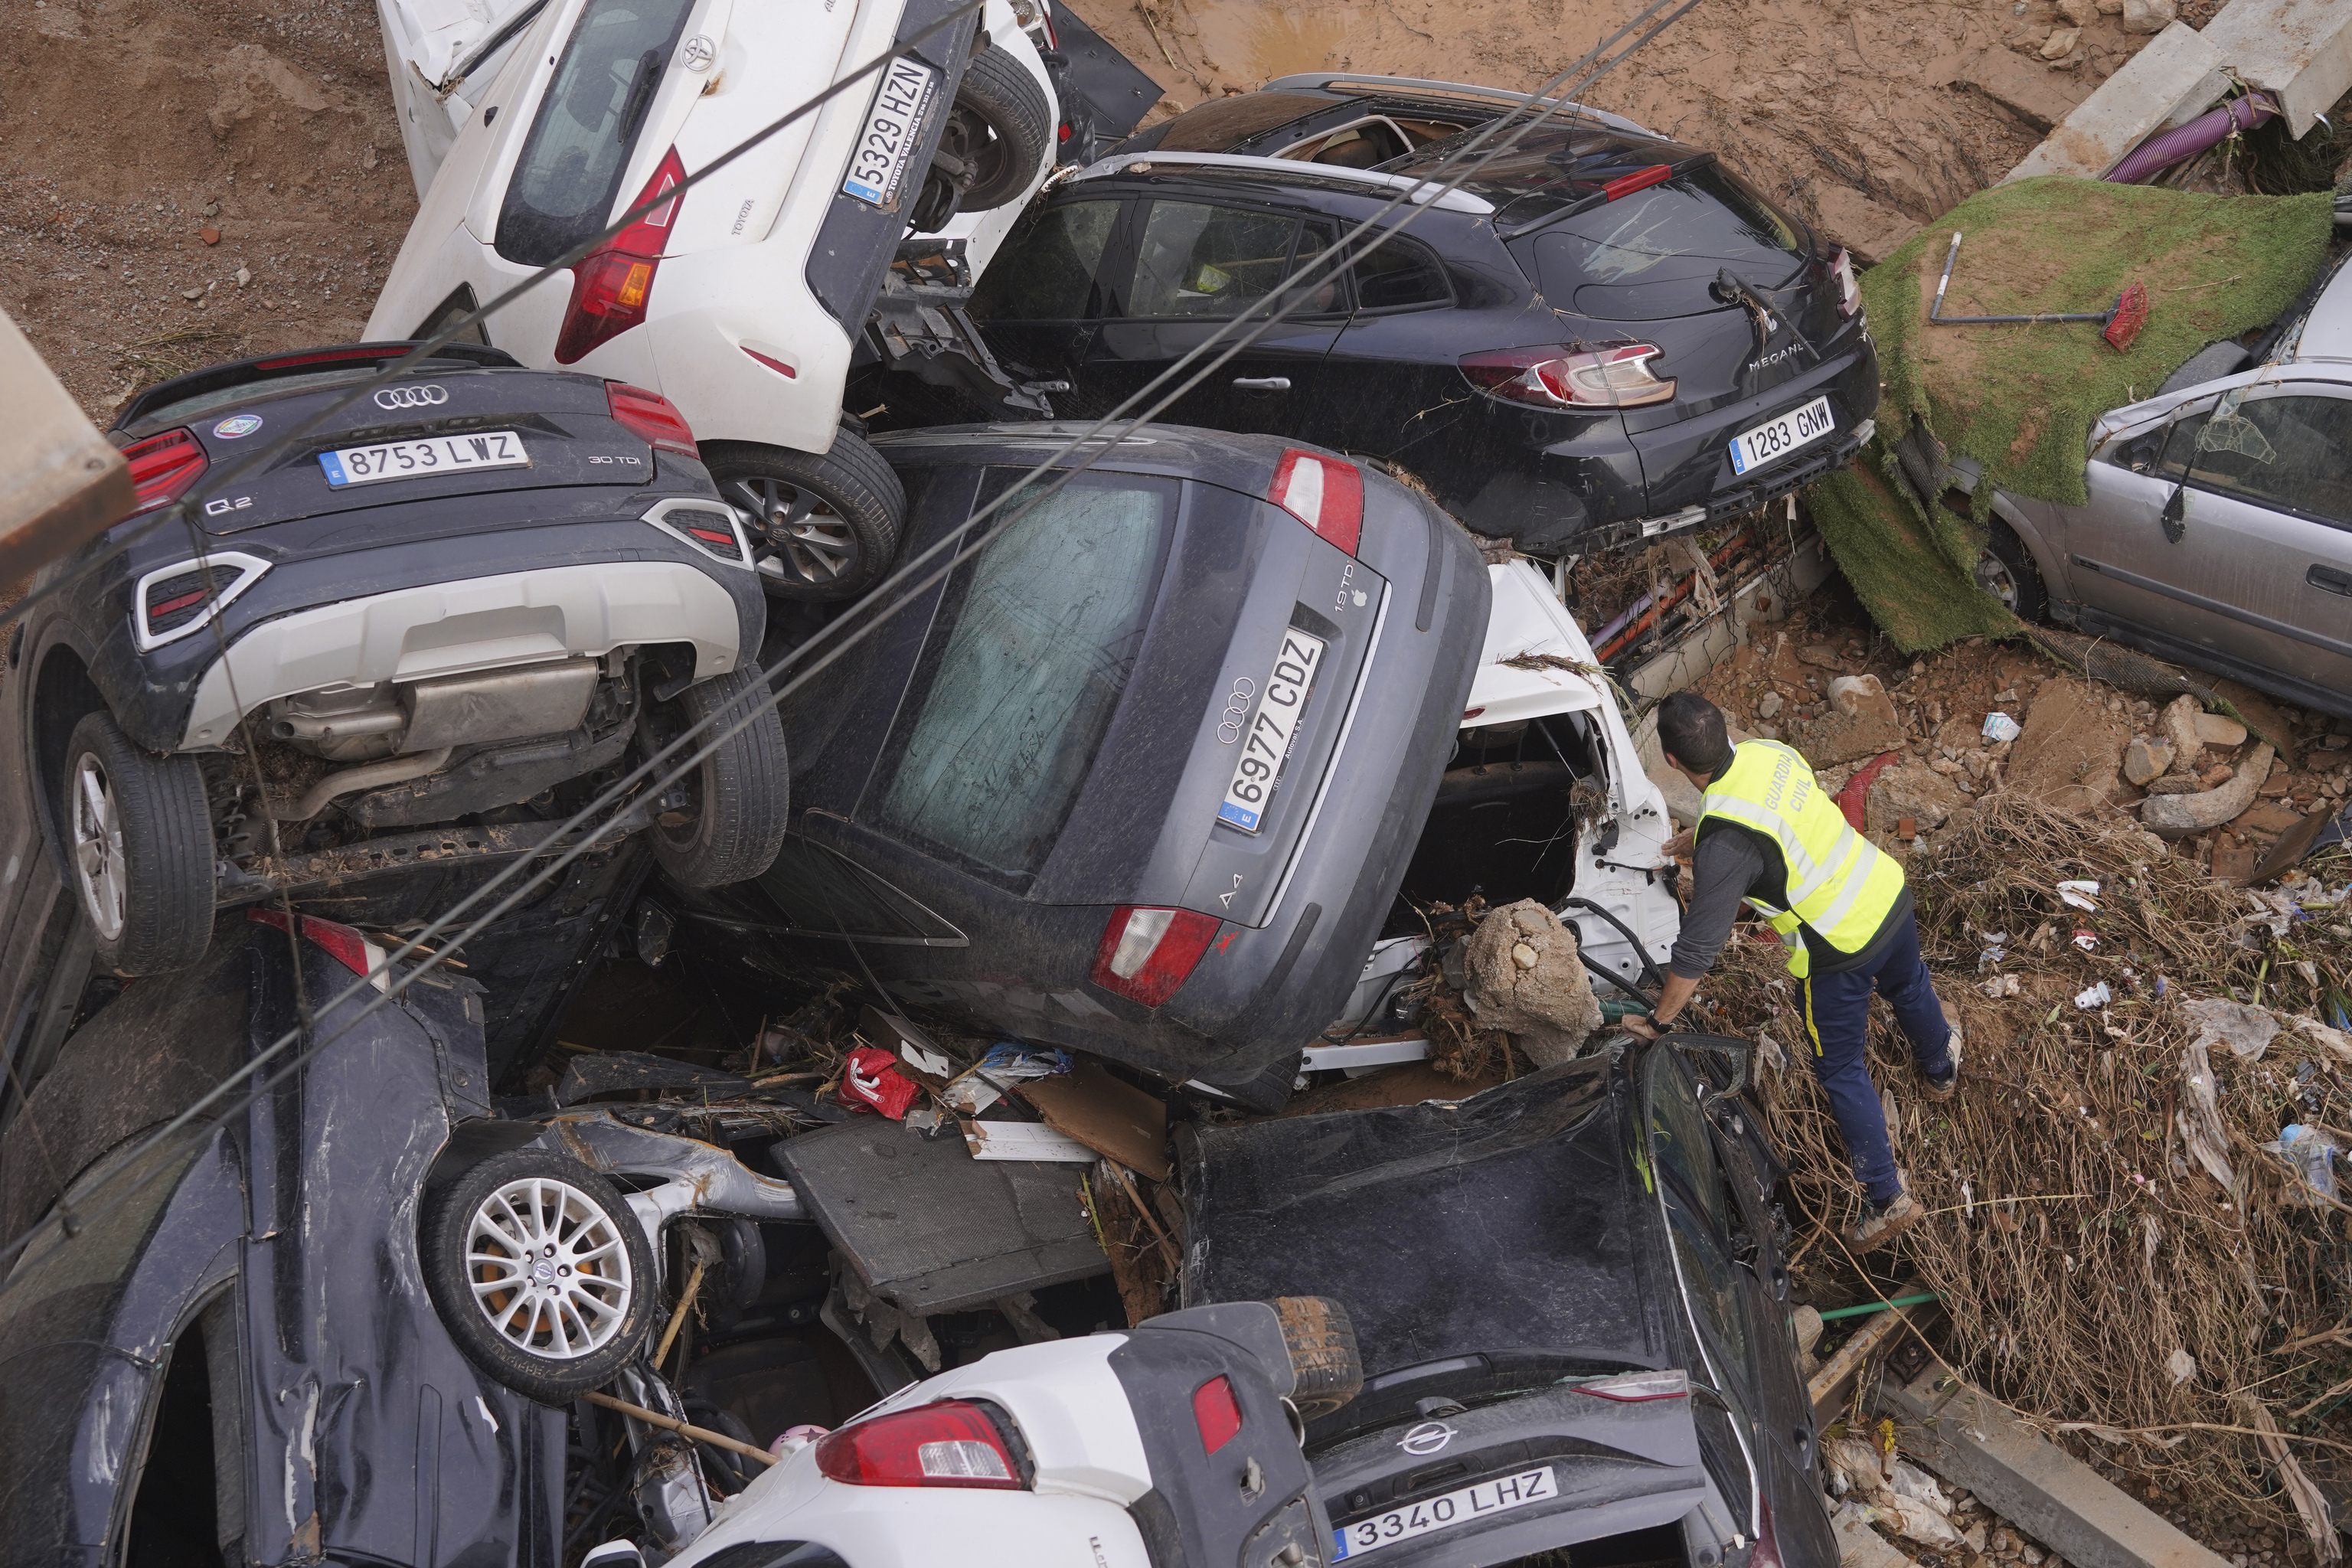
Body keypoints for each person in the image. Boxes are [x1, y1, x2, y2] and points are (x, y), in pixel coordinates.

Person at [1623, 691, 1959, 1253]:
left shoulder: (1726, 843)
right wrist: (1702, 838)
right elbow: (1772, 815)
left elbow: (1697, 951)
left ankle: (1886, 1197)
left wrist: (1660, 1022)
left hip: (1839, 951)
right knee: (1909, 986)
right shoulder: (1768, 754)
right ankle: (1941, 1069)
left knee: (1841, 1068)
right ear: (1725, 730)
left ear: (1674, 763)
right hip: (1886, 893)